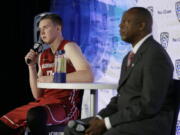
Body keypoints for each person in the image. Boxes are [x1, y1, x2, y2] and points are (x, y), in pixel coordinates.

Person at [64, 7, 175, 135]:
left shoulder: (155, 55)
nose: (120, 25)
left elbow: (148, 105)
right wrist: (100, 118)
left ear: (141, 26)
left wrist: (107, 123)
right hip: (127, 118)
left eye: (126, 21)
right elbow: (121, 97)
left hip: (149, 123)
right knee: (72, 129)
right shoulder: (129, 57)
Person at [0, 13, 94, 135]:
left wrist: (52, 78)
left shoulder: (69, 47)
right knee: (4, 124)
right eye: (40, 29)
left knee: (35, 115)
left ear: (58, 28)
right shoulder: (43, 55)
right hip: (43, 103)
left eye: (46, 27)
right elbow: (37, 94)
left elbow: (88, 75)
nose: (42, 32)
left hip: (64, 107)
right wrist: (32, 67)